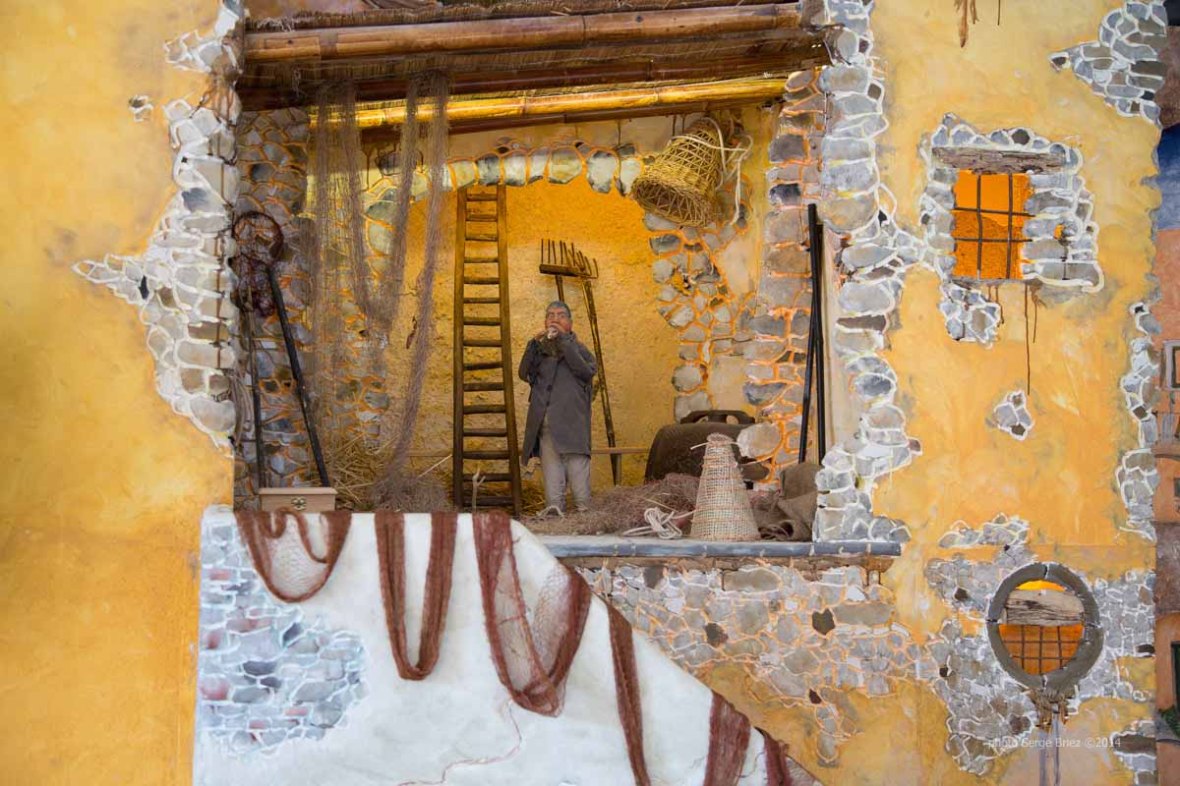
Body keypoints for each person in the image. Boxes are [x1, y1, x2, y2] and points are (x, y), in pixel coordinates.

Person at [518, 301, 597, 515]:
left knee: (581, 496)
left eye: (561, 315)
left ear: (569, 323)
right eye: (550, 315)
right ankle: (555, 530)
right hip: (547, 433)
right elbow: (523, 373)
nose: (555, 319)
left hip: (573, 433)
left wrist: (563, 340)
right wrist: (532, 344)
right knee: (553, 497)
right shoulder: (540, 350)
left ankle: (587, 538)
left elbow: (586, 372)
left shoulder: (580, 350)